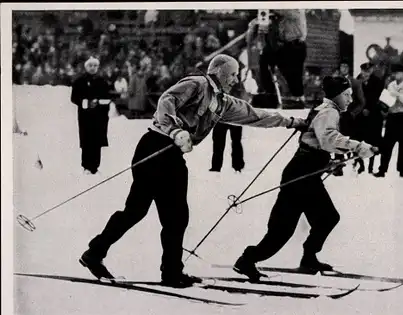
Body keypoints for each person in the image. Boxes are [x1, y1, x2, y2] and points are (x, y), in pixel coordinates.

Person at [79, 55, 307, 288]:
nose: (235, 79)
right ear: (218, 71)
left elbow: (254, 115)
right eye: (232, 74)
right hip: (157, 146)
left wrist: (292, 122)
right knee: (163, 215)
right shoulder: (198, 83)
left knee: (151, 214)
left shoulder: (223, 102)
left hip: (170, 155)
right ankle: (168, 272)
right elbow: (167, 100)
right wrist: (175, 131)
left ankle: (97, 254)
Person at [233, 76, 378, 281]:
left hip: (306, 174)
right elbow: (328, 139)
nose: (350, 99)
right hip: (301, 176)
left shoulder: (324, 110)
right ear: (337, 96)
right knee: (283, 230)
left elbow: (317, 141)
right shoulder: (329, 112)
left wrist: (330, 160)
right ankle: (247, 260)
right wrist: (358, 147)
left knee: (325, 218)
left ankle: (309, 258)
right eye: (347, 95)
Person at [247, 9, 308, 109]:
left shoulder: (295, 9)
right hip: (283, 46)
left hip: (295, 45)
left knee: (293, 74)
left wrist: (268, 9)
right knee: (264, 62)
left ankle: (298, 98)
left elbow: (285, 12)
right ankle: (270, 93)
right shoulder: (278, 16)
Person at [374, 63, 403, 178]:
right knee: (387, 144)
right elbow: (388, 101)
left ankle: (402, 170)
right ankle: (382, 169)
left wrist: (398, 95)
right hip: (393, 116)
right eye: (394, 73)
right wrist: (384, 103)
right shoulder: (391, 85)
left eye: (398, 73)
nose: (395, 75)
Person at [70, 56, 111, 175]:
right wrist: (87, 103)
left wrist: (98, 103)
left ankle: (95, 166)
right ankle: (86, 166)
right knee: (86, 140)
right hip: (85, 116)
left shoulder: (102, 82)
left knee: (97, 141)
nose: (93, 68)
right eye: (90, 66)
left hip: (99, 116)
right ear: (86, 67)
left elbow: (107, 98)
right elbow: (74, 98)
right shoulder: (79, 81)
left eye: (95, 66)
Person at [356, 62, 385, 174]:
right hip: (360, 115)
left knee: (373, 141)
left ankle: (371, 167)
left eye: (368, 70)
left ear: (372, 70)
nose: (366, 73)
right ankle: (360, 165)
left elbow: (377, 97)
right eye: (364, 71)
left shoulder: (378, 81)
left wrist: (369, 108)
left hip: (373, 115)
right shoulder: (357, 80)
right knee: (357, 140)